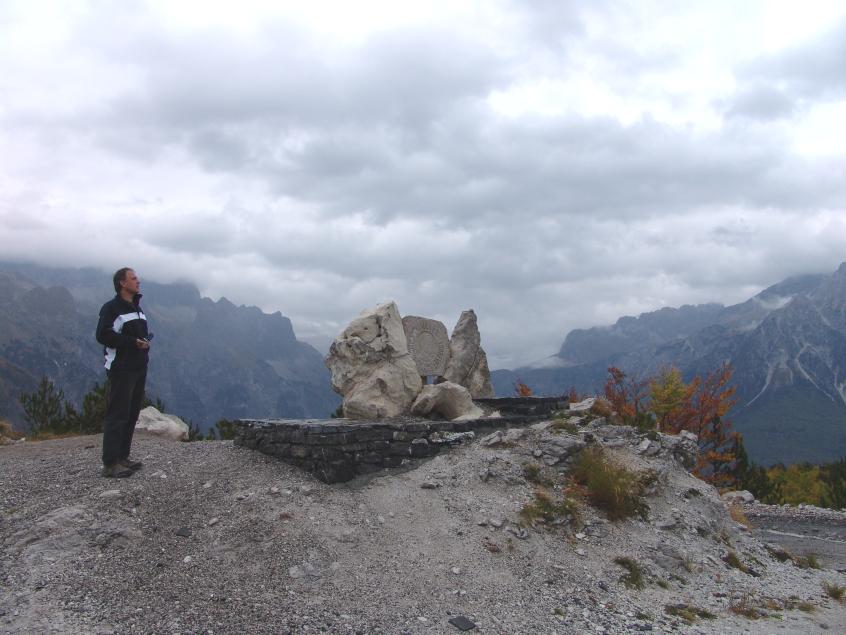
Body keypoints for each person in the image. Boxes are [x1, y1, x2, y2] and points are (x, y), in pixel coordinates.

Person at [95, 267, 151, 478]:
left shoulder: (136, 308)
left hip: (138, 368)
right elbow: (103, 334)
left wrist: (142, 344)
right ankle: (110, 463)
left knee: (131, 414)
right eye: (134, 278)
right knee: (117, 415)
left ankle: (122, 457)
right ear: (122, 283)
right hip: (121, 369)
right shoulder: (112, 308)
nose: (138, 281)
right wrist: (132, 343)